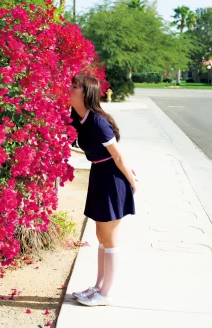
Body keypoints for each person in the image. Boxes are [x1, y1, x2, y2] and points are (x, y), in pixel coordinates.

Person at [69, 74, 137, 306]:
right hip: (99, 175)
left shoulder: (97, 122)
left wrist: (132, 182)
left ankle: (105, 294)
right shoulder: (78, 119)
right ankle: (97, 287)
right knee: (100, 236)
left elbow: (117, 155)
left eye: (75, 86)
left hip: (112, 179)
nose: (70, 89)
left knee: (109, 238)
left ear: (86, 92)